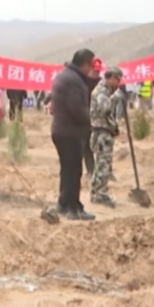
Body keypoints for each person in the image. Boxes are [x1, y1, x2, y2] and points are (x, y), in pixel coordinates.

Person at [51, 49, 97, 221]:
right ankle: (73, 208)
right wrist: (90, 121)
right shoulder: (74, 81)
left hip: (60, 130)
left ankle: (63, 204)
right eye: (90, 65)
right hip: (70, 132)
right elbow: (76, 108)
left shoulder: (64, 75)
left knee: (67, 170)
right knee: (73, 171)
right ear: (85, 64)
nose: (91, 69)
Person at [89, 67, 124, 208]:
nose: (118, 84)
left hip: (103, 132)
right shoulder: (101, 91)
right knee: (103, 165)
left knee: (100, 165)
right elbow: (105, 109)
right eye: (117, 80)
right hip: (101, 133)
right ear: (112, 77)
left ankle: (96, 192)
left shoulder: (105, 91)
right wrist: (115, 99)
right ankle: (100, 194)